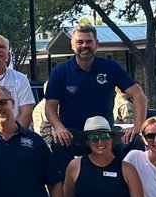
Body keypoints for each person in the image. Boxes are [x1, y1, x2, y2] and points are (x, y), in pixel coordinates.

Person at [44, 24, 147, 165]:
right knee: (58, 143)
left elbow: (138, 94)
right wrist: (58, 127)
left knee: (135, 141)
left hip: (105, 132)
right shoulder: (60, 71)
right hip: (74, 133)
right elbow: (50, 106)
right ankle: (67, 185)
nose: (84, 45)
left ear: (96, 44)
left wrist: (137, 126)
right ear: (73, 45)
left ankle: (129, 184)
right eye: (80, 42)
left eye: (89, 41)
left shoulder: (110, 67)